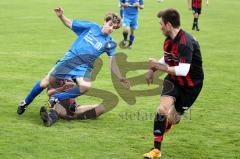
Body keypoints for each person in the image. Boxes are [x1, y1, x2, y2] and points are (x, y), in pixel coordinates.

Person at [17, 7, 130, 115]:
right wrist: (61, 16)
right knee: (45, 82)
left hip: (84, 67)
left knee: (85, 86)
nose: (111, 29)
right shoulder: (91, 27)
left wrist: (120, 77)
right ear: (105, 21)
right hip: (70, 59)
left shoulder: (110, 43)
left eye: (114, 28)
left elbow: (112, 61)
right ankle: (25, 102)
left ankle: (56, 98)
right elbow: (70, 24)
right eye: (110, 25)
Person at [143, 8, 204, 158]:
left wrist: (157, 67)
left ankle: (168, 122)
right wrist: (153, 69)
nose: (160, 27)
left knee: (173, 119)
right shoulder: (168, 40)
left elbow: (183, 70)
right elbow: (167, 58)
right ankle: (156, 149)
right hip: (173, 81)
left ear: (168, 25)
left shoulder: (186, 42)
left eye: (161, 24)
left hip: (191, 86)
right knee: (162, 109)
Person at [40, 78, 106, 127]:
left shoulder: (72, 78)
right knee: (56, 107)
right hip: (60, 107)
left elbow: (82, 88)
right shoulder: (53, 81)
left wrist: (75, 85)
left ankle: (76, 116)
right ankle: (49, 119)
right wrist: (63, 88)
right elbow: (50, 93)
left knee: (101, 108)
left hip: (73, 108)